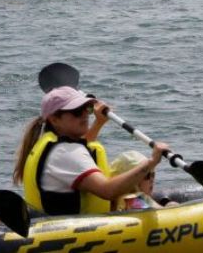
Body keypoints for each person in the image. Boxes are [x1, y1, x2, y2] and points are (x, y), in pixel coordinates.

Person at [13, 86, 168, 216]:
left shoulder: (49, 141)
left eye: (86, 109)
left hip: (57, 219)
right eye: (76, 112)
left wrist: (99, 123)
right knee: (137, 172)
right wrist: (151, 162)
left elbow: (81, 148)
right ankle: (164, 212)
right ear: (54, 119)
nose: (85, 115)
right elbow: (108, 191)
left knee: (130, 164)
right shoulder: (65, 152)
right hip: (76, 229)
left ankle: (159, 208)